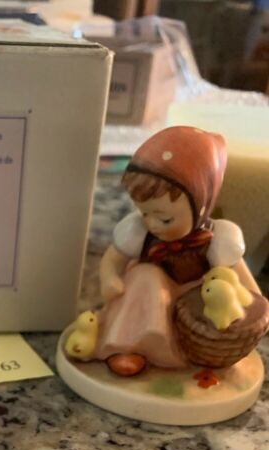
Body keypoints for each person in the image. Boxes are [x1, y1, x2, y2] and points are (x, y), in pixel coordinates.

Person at [94, 126, 259, 376]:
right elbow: (113, 260)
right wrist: (109, 278)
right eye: (145, 213)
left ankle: (192, 351)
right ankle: (129, 346)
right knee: (145, 275)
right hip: (149, 298)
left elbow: (241, 279)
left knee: (221, 289)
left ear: (201, 206)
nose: (152, 224)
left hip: (195, 299)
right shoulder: (138, 231)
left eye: (165, 219)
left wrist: (257, 305)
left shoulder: (219, 238)